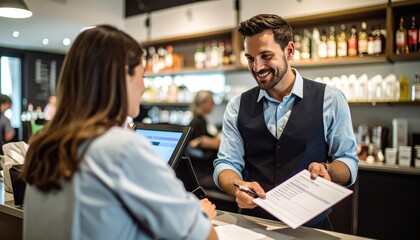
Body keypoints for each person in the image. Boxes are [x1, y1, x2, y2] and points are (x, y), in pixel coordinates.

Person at [21, 25, 218, 240]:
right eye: (142, 75)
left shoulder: (44, 143)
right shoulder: (121, 146)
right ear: (124, 75)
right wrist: (199, 215)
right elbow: (204, 236)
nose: (143, 88)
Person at [213, 14, 359, 230]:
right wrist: (238, 187)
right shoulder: (237, 106)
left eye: (266, 56)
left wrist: (328, 169)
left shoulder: (330, 99)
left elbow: (348, 161)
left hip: (312, 228)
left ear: (289, 51)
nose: (257, 67)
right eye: (250, 58)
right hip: (253, 225)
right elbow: (226, 164)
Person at [188, 90, 221, 190]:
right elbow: (197, 143)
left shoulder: (201, 120)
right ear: (203, 103)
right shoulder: (197, 122)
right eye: (211, 101)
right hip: (201, 173)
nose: (214, 104)